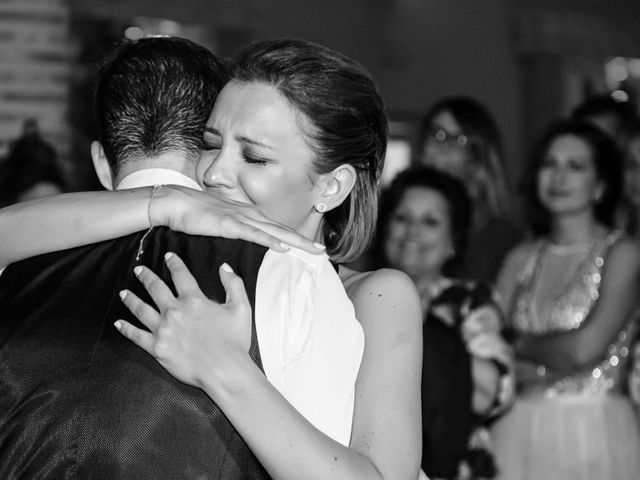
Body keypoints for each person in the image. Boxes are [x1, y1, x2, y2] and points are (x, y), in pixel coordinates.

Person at [0, 38, 423, 480]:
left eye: (255, 157)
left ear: (331, 187)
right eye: (209, 144)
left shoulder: (371, 293)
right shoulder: (187, 257)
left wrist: (223, 365)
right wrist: (164, 200)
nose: (214, 173)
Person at [491, 119, 640, 480]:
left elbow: (584, 350)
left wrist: (519, 343)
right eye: (549, 164)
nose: (558, 177)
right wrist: (527, 353)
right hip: (516, 424)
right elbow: (491, 350)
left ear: (601, 185)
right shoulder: (519, 257)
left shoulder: (623, 254)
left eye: (575, 166)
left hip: (593, 429)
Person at [372, 165, 514, 480]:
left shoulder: (469, 300)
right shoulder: (355, 294)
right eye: (402, 218)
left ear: (453, 242)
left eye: (430, 222)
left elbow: (491, 394)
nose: (412, 232)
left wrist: (421, 326)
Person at [415, 96, 521, 283]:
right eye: (437, 133)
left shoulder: (498, 234)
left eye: (460, 139)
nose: (444, 147)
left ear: (480, 154)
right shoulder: (393, 211)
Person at [0, 118, 65, 206]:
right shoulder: (22, 145)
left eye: (32, 128)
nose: (30, 131)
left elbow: (51, 165)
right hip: (24, 180)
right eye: (29, 128)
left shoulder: (44, 148)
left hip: (33, 179)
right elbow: (13, 160)